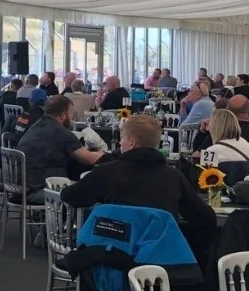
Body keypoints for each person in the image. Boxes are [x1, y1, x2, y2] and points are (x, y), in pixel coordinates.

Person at [62, 116, 217, 232]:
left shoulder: (107, 172)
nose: (120, 143)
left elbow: (70, 196)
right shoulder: (174, 177)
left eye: (122, 138)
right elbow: (206, 218)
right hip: (157, 259)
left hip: (113, 253)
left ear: (131, 143)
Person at [19, 95, 102, 187]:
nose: (71, 120)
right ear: (63, 115)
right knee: (88, 189)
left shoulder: (36, 126)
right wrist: (101, 153)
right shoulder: (60, 132)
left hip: (22, 185)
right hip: (42, 187)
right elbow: (90, 159)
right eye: (71, 115)